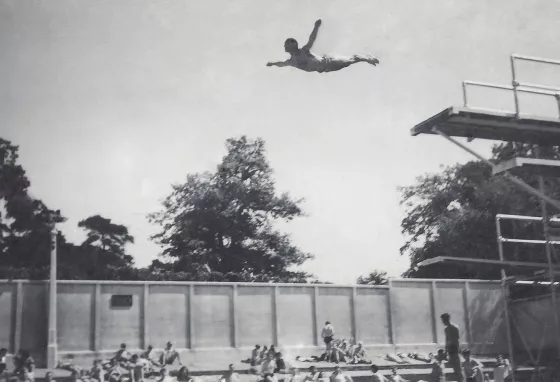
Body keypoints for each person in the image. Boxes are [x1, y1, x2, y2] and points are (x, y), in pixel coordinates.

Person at [267, 20, 379, 73]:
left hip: (328, 62)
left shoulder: (303, 51)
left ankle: (366, 57)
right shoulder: (291, 61)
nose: (290, 47)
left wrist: (316, 26)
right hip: (326, 69)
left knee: (350, 60)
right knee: (349, 63)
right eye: (288, 45)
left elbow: (311, 39)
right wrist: (272, 64)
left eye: (291, 44)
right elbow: (280, 64)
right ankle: (364, 58)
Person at [441, 313, 462, 382]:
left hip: (454, 350)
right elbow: (447, 340)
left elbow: (456, 339)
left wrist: (457, 349)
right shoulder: (446, 329)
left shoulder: (454, 328)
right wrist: (446, 350)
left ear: (447, 319)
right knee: (452, 368)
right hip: (450, 350)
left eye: (443, 320)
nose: (443, 322)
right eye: (442, 320)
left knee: (457, 369)